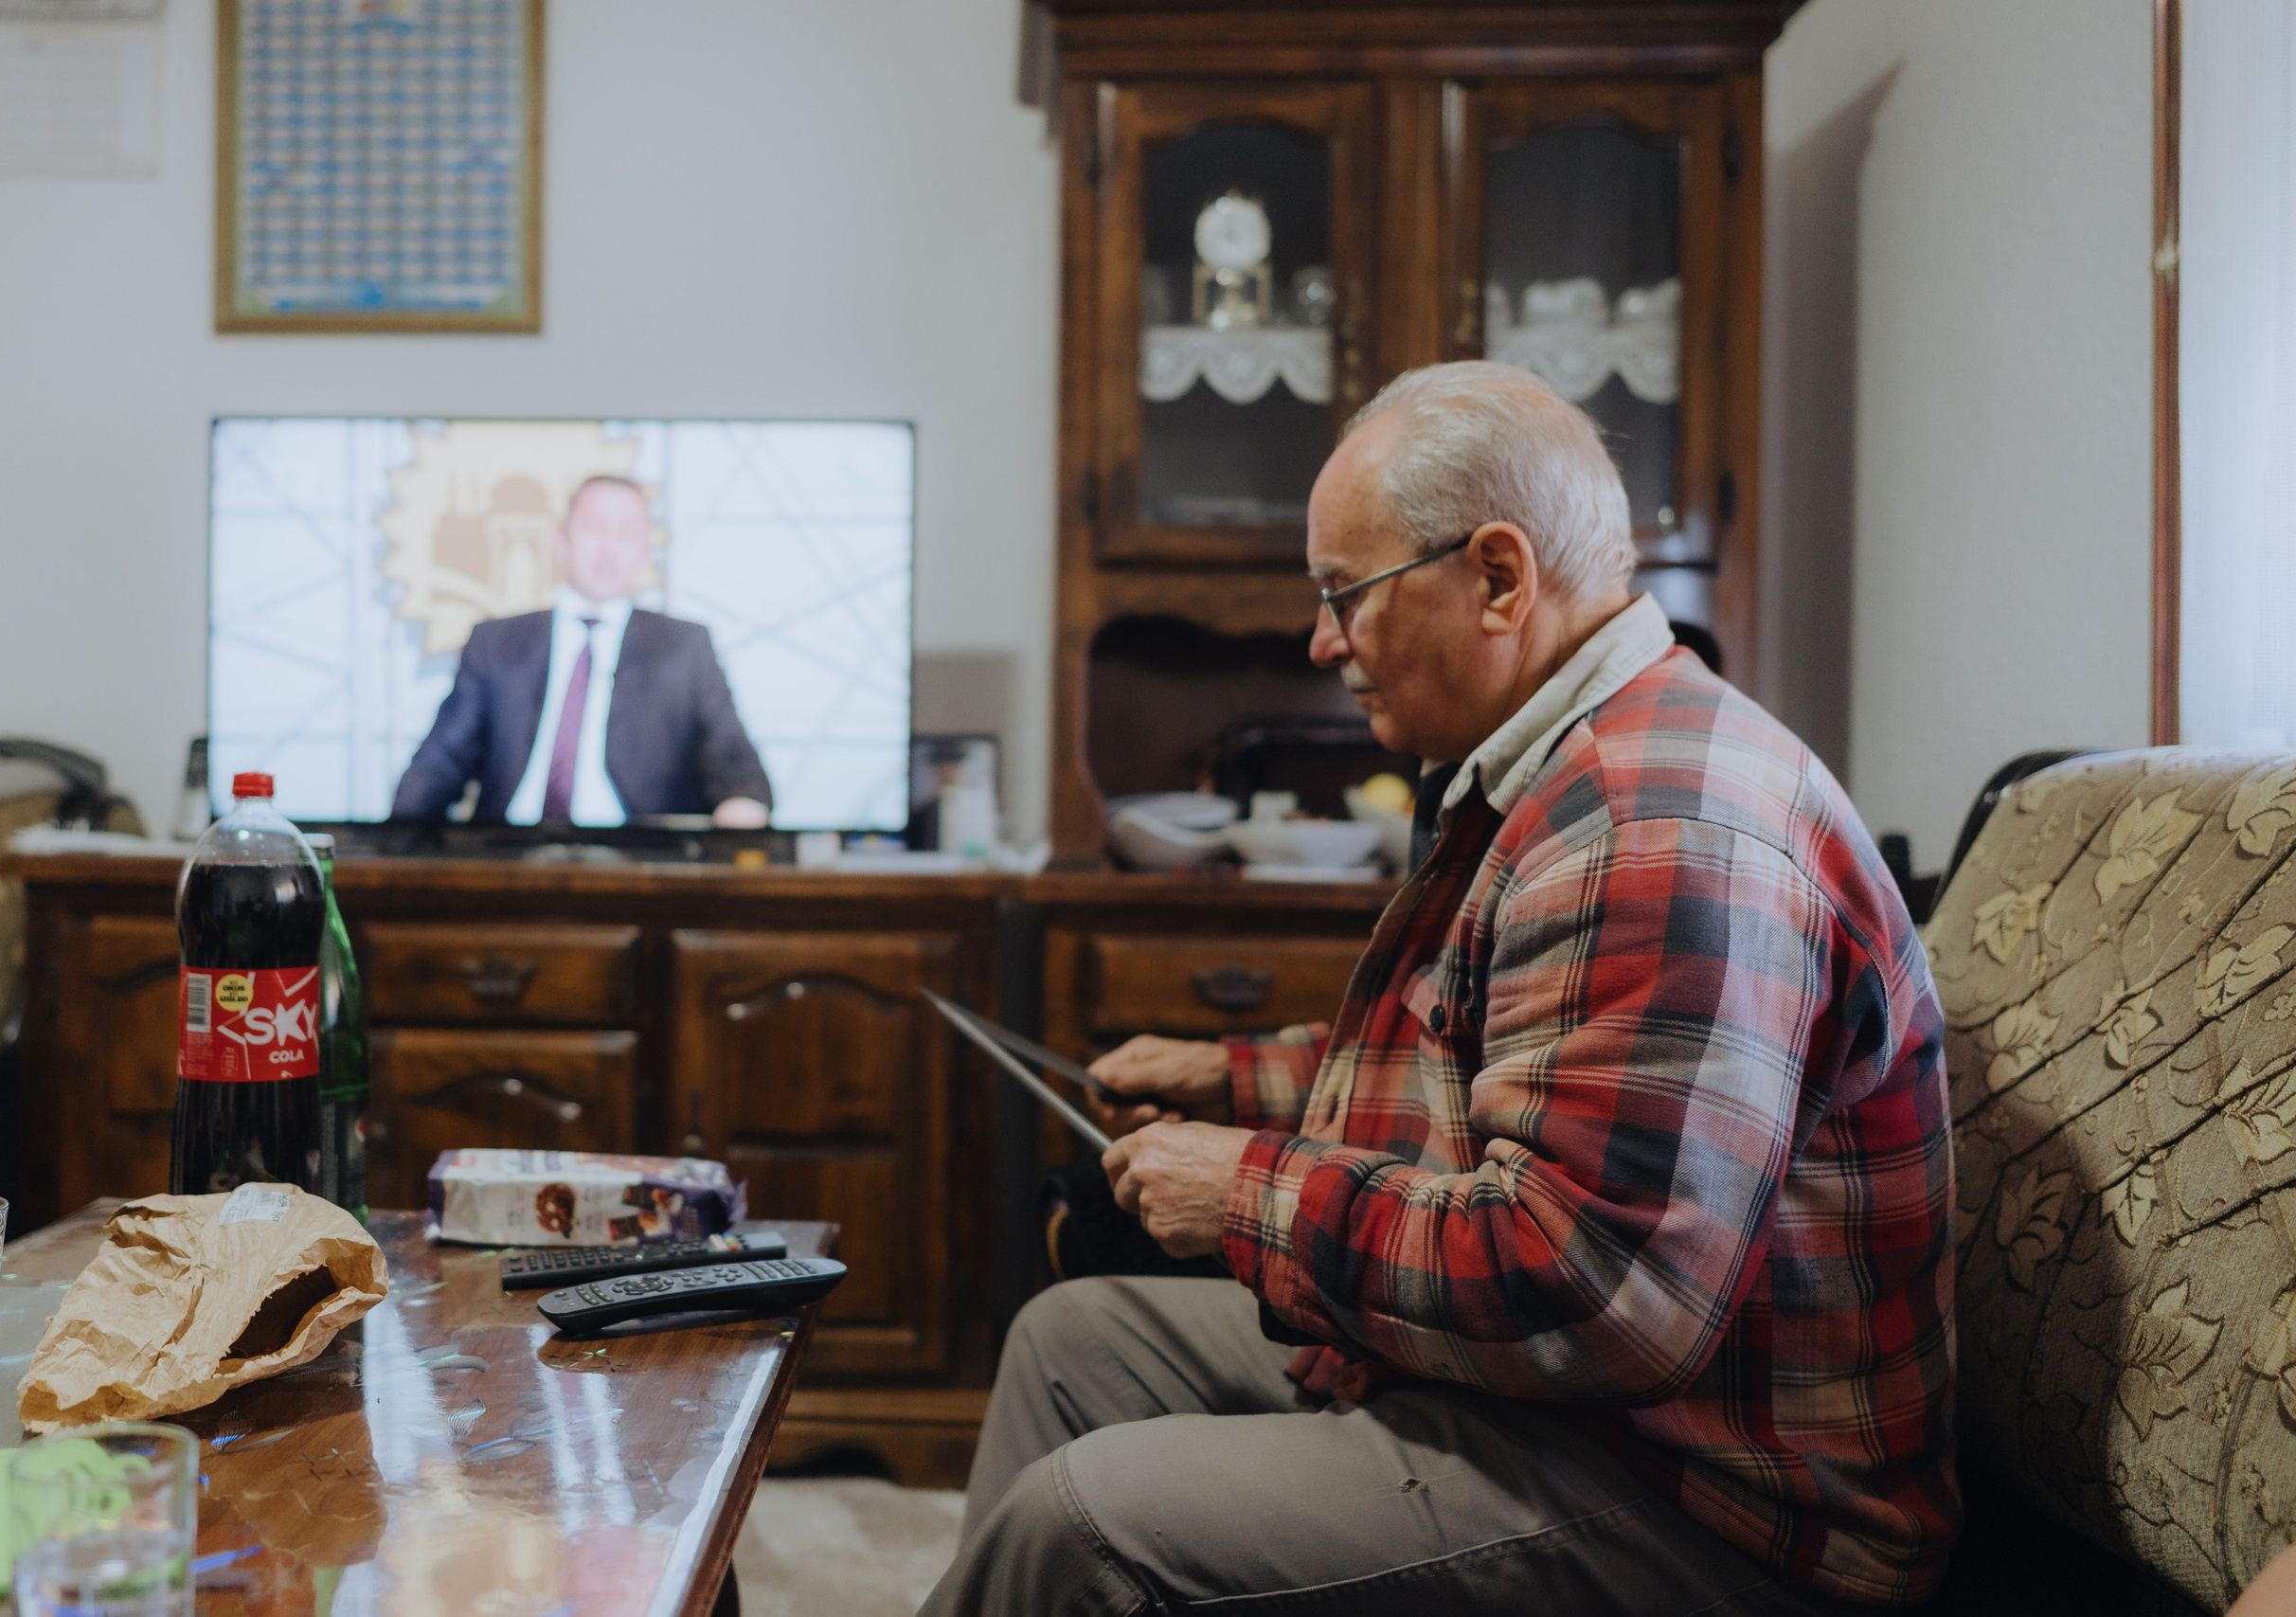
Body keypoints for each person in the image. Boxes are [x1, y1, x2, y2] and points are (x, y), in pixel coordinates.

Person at [925, 362, 1955, 1615]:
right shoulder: (1567, 760)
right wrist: (1228, 1074)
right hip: (1599, 1423)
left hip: (1719, 1508)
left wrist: (1243, 1188)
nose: (1321, 642)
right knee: (1072, 1341)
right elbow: (1492, 1051)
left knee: (1084, 1522)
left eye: (1341, 594)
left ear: (1499, 576)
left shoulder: (1656, 824)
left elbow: (1594, 1290)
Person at [391, 476, 773, 827]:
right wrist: (392, 848)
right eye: (595, 528)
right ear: (562, 541)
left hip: (640, 868)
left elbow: (736, 764)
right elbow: (439, 764)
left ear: (645, 551)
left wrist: (741, 808)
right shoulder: (496, 643)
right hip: (509, 860)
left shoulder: (684, 647)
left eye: (628, 533)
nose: (610, 547)